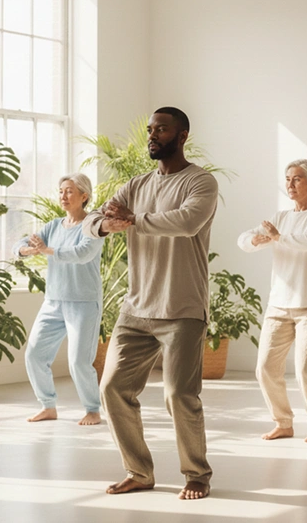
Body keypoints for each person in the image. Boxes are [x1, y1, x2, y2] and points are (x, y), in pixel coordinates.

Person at [83, 107, 217, 500]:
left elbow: (187, 221)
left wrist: (135, 220)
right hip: (136, 309)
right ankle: (138, 472)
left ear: (183, 135)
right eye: (150, 129)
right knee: (112, 389)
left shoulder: (201, 182)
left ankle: (197, 474)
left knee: (179, 395)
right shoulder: (136, 184)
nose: (153, 135)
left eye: (162, 129)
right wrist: (106, 224)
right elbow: (95, 218)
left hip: (183, 308)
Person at [238, 159, 307, 443]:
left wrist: (278, 237)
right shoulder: (279, 217)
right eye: (288, 179)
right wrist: (257, 240)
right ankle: (283, 422)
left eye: (298, 179)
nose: (290, 184)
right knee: (265, 368)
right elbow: (243, 239)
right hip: (279, 304)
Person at [13, 173, 104, 426]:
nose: (63, 195)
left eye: (69, 191)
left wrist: (47, 250)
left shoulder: (93, 226)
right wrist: (26, 249)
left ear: (84, 196)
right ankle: (48, 406)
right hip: (53, 302)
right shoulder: (53, 226)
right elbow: (22, 242)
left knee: (78, 362)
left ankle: (93, 409)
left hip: (84, 303)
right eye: (61, 190)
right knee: (34, 355)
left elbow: (82, 253)